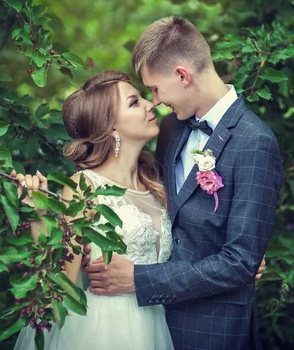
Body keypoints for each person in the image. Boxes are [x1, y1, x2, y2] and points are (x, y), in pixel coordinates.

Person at [84, 17, 284, 350]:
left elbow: (239, 262)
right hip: (148, 325)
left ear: (182, 74)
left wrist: (139, 279)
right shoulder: (170, 130)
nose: (156, 100)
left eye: (156, 88)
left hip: (212, 330)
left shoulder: (255, 142)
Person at [12, 70, 175, 350]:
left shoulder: (156, 185)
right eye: (135, 102)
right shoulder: (84, 188)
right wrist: (36, 214)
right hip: (103, 330)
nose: (151, 104)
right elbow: (59, 285)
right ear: (111, 127)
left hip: (156, 327)